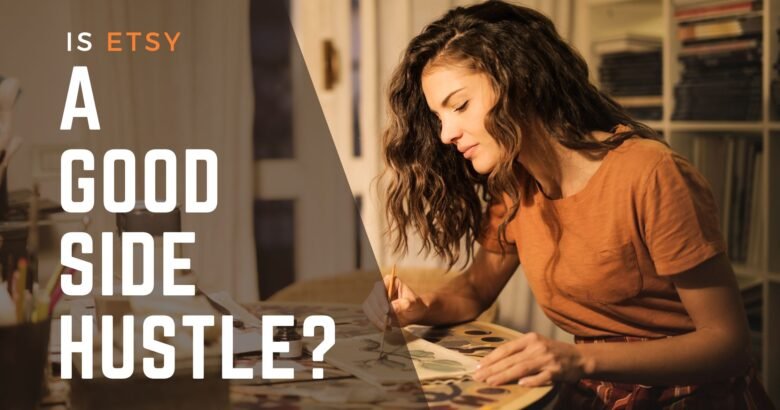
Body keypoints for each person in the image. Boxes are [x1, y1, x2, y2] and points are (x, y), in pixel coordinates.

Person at [361, 1, 774, 409]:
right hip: (595, 392)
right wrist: (421, 307)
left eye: (460, 105)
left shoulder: (650, 173)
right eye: (439, 117)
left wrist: (577, 358)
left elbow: (728, 344)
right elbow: (474, 291)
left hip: (691, 396)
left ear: (518, 79)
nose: (445, 134)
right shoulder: (515, 184)